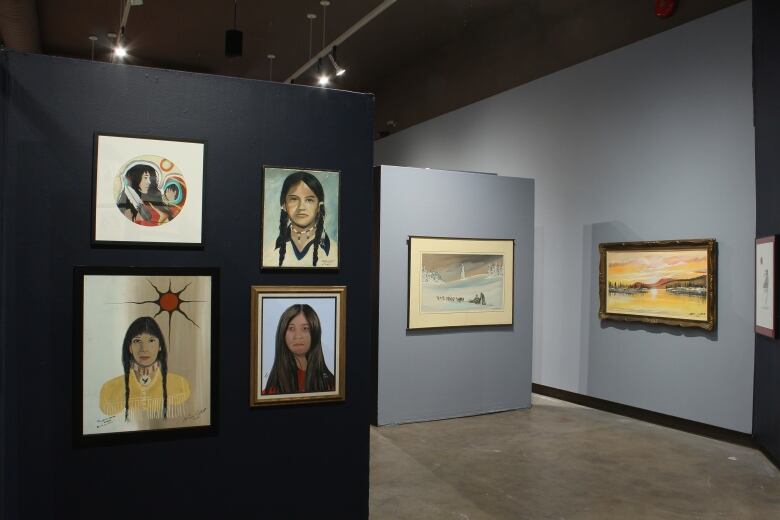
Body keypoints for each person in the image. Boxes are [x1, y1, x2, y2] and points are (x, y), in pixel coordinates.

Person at [99, 316, 191, 420]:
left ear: (160, 346)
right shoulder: (109, 390)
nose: (144, 349)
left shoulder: (181, 386)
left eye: (151, 340)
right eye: (137, 341)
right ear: (130, 347)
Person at [267, 170, 338, 267]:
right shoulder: (269, 252)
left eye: (309, 200)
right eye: (294, 199)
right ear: (284, 205)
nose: (301, 207)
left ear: (319, 206)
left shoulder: (334, 251)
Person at [263, 304, 335, 394]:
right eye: (291, 328)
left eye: (305, 328)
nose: (298, 336)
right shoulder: (271, 391)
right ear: (282, 334)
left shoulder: (332, 384)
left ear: (315, 333)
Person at [116, 160, 176, 226]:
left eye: (150, 178)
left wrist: (170, 202)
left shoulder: (153, 198)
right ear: (135, 179)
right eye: (145, 178)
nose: (149, 182)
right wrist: (161, 219)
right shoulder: (127, 208)